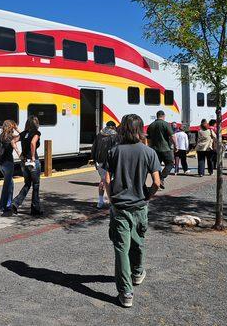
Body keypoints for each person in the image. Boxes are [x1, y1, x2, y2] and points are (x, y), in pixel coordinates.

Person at [104, 114, 161, 308]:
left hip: (120, 207)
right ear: (140, 129)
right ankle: (137, 273)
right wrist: (147, 197)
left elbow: (106, 180)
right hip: (140, 206)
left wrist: (111, 199)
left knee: (121, 248)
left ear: (122, 129)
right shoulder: (148, 152)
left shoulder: (113, 151)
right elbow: (156, 182)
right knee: (138, 242)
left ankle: (126, 293)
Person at [12, 116, 44, 216]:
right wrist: (33, 157)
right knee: (36, 185)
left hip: (24, 161)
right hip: (32, 162)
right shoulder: (37, 133)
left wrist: (19, 153)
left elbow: (13, 141)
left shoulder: (23, 133)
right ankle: (35, 209)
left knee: (27, 183)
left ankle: (15, 204)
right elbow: (32, 143)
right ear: (37, 124)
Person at [0, 120, 20, 216]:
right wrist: (17, 129)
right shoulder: (11, 137)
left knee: (10, 184)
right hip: (8, 163)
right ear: (11, 127)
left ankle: (6, 204)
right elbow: (24, 135)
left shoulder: (1, 136)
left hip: (1, 163)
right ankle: (4, 206)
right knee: (7, 186)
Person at [91, 121, 119, 208]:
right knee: (108, 181)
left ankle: (100, 201)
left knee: (103, 180)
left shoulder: (99, 134)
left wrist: (94, 159)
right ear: (113, 127)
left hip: (100, 161)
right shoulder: (114, 135)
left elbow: (93, 148)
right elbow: (116, 149)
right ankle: (111, 202)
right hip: (110, 161)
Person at [146, 110, 175, 187]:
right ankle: (161, 178)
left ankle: (158, 180)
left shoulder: (151, 125)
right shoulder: (165, 124)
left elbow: (148, 139)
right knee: (170, 163)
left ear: (157, 116)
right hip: (165, 148)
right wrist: (176, 146)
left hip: (155, 149)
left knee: (156, 165)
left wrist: (150, 147)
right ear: (163, 116)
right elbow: (172, 136)